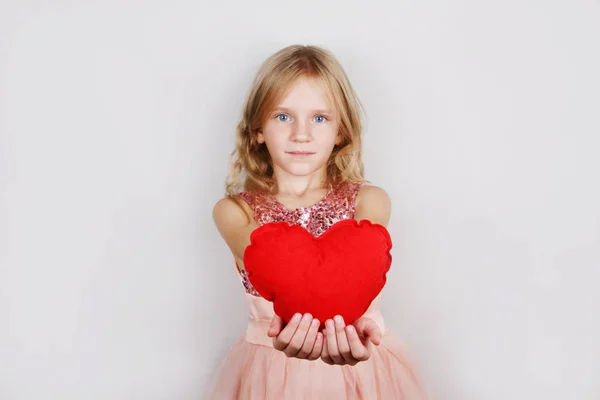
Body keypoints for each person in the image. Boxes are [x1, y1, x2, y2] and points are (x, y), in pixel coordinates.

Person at [208, 44, 429, 399]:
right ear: (257, 130)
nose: (301, 134)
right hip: (269, 376)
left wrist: (350, 328)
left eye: (319, 118)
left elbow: (359, 266)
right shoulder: (236, 211)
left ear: (341, 131)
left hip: (364, 368)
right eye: (283, 116)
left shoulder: (369, 201)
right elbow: (272, 261)